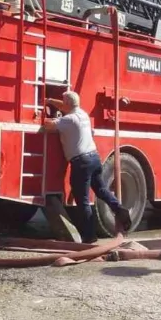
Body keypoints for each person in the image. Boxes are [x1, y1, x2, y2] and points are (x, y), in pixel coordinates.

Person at [42, 90, 131, 243]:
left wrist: (40, 115)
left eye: (63, 102)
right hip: (94, 158)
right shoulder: (83, 115)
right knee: (101, 190)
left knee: (82, 200)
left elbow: (48, 126)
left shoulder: (68, 120)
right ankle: (120, 210)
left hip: (81, 162)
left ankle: (89, 236)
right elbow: (66, 106)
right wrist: (49, 100)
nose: (61, 104)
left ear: (67, 104)